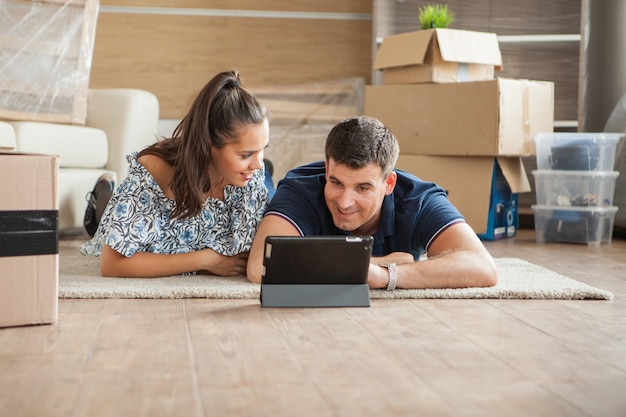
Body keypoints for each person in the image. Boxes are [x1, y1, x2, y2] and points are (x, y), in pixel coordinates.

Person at [247, 115, 498, 290]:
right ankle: (265, 172)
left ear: (389, 184)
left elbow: (482, 267)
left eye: (363, 188)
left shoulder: (420, 199)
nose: (345, 202)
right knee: (260, 184)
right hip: (265, 186)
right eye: (335, 183)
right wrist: (370, 263)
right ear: (326, 169)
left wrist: (384, 275)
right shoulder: (300, 188)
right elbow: (260, 267)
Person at [80, 70, 271, 278]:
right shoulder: (156, 171)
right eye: (246, 154)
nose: (258, 165)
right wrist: (205, 260)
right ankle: (102, 194)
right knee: (107, 215)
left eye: (262, 150)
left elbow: (250, 256)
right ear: (209, 146)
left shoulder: (249, 176)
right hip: (133, 222)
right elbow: (113, 265)